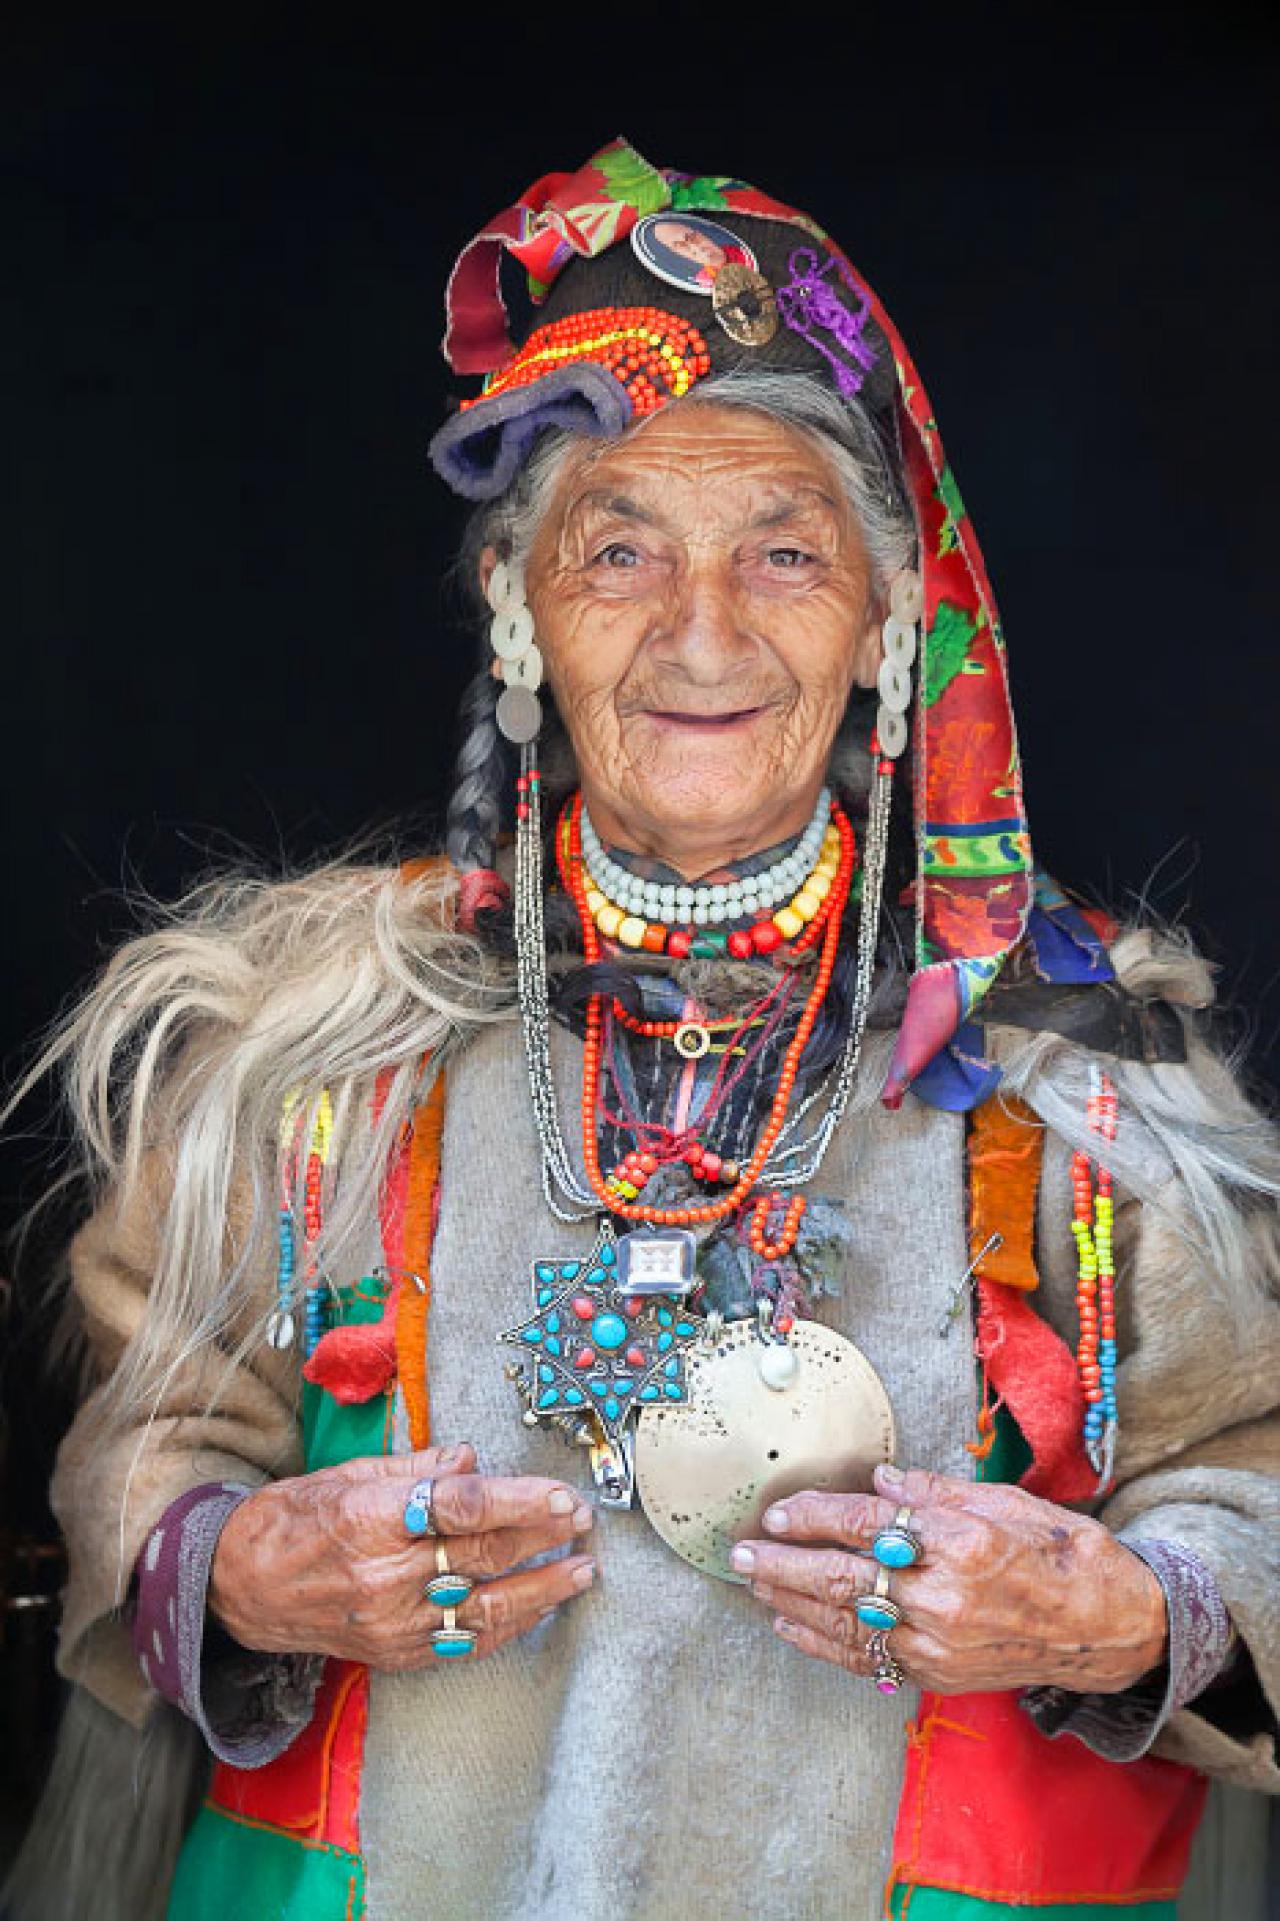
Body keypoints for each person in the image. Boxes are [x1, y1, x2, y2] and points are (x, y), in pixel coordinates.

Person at [8, 138, 1279, 1921]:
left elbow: (1253, 1479)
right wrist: (232, 1567)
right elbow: (139, 1448)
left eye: (782, 551)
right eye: (622, 549)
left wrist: (1120, 1611)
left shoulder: (1077, 1071)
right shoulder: (313, 1055)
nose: (702, 630)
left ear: (885, 622)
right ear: (519, 611)